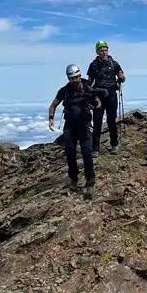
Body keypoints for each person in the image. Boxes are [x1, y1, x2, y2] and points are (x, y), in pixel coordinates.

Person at [48, 64, 105, 197]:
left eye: (76, 77)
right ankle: (74, 179)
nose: (74, 80)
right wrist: (51, 118)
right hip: (70, 126)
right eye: (72, 78)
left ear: (80, 76)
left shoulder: (87, 87)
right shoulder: (64, 91)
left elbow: (98, 102)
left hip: (84, 125)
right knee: (70, 153)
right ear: (68, 78)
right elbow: (53, 105)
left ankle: (90, 182)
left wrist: (95, 104)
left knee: (86, 153)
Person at [86, 40, 125, 155]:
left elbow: (121, 74)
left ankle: (114, 145)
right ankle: (95, 148)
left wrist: (121, 76)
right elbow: (89, 81)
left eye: (105, 50)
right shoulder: (93, 65)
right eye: (101, 50)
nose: (104, 52)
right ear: (97, 52)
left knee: (111, 120)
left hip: (112, 94)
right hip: (98, 96)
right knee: (97, 122)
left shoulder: (114, 63)